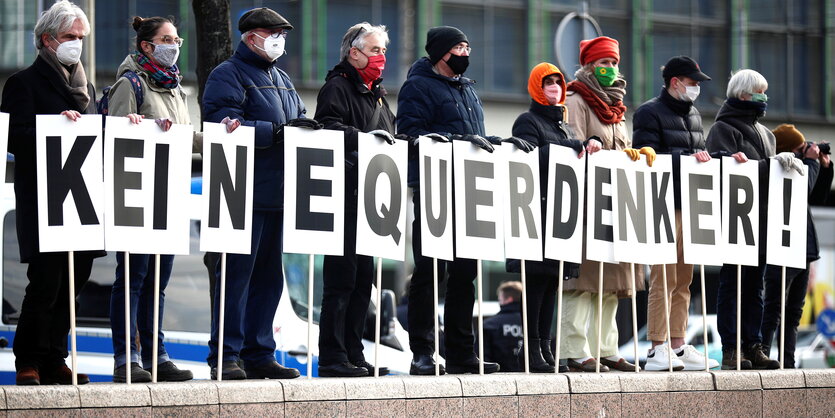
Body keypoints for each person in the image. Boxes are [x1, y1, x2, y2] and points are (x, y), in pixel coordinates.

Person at [397, 25, 532, 375]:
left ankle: (461, 352)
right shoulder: (418, 86)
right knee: (429, 273)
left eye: (468, 46)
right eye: (459, 47)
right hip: (435, 187)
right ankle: (423, 351)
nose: (465, 53)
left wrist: (499, 142)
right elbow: (410, 134)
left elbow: (477, 137)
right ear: (441, 52)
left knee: (465, 274)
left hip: (470, 189)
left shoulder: (469, 89)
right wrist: (457, 140)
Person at [202, 6, 318, 380]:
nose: (279, 41)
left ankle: (259, 352)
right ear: (250, 37)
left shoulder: (282, 79)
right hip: (241, 194)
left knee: (269, 280)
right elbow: (221, 123)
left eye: (282, 34)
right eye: (273, 34)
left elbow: (297, 118)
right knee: (235, 278)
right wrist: (277, 133)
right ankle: (226, 354)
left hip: (278, 194)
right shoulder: (228, 74)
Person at [0, 0, 102, 386]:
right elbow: (16, 138)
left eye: (80, 38)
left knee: (74, 283)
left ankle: (56, 357)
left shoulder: (86, 86)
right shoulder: (22, 83)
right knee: (45, 283)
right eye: (70, 37)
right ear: (47, 40)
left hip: (81, 200)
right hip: (45, 202)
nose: (76, 44)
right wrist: (53, 126)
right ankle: (29, 360)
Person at [105, 15, 197, 383]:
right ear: (146, 45)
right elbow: (116, 137)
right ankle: (126, 357)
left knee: (157, 280)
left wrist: (226, 140)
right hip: (137, 194)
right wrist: (145, 131)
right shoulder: (130, 84)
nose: (174, 46)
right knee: (132, 277)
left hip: (169, 194)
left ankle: (156, 355)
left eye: (177, 40)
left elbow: (185, 138)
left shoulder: (174, 87)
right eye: (166, 39)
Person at [314, 22, 397, 378]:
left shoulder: (377, 94)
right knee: (342, 281)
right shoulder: (337, 87)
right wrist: (361, 138)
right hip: (345, 197)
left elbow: (392, 135)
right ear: (355, 53)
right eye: (376, 50)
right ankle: (333, 357)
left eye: (383, 51)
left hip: (371, 199)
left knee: (365, 281)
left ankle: (353, 352)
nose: (381, 58)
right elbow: (325, 129)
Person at [561, 36, 643, 372]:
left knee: (612, 282)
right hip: (587, 202)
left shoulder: (617, 108)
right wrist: (589, 145)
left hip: (616, 201)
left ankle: (606, 347)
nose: (610, 69)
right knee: (583, 282)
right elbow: (571, 142)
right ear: (590, 66)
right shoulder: (576, 99)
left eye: (613, 63)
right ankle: (576, 349)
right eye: (603, 64)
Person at [632, 56, 720, 371]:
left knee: (684, 279)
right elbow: (647, 156)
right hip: (663, 203)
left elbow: (699, 153)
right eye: (693, 82)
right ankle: (657, 348)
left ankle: (678, 345)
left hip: (690, 204)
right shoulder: (648, 112)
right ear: (675, 82)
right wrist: (686, 157)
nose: (697, 88)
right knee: (663, 277)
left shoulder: (694, 115)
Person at [508, 62, 588, 373]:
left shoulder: (565, 125)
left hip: (561, 216)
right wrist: (572, 147)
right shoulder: (526, 121)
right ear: (536, 88)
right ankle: (531, 349)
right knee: (536, 285)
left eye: (558, 82)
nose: (554, 87)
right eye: (548, 83)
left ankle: (545, 345)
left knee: (553, 284)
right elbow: (531, 159)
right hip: (536, 215)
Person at [706, 69, 780, 370]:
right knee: (732, 283)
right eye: (759, 91)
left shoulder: (768, 135)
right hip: (735, 220)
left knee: (755, 286)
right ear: (743, 94)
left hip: (762, 221)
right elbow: (717, 169)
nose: (764, 97)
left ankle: (754, 345)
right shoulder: (723, 128)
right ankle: (731, 349)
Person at [760, 124, 832, 368]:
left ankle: (787, 362)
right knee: (773, 308)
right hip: (782, 246)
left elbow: (817, 196)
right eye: (801, 148)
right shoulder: (780, 168)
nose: (807, 150)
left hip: (804, 249)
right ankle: (764, 355)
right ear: (788, 151)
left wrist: (824, 167)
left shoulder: (802, 166)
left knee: (793, 313)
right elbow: (800, 190)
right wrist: (810, 163)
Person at [481, 281, 524, 372]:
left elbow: (482, 359)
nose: (499, 302)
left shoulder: (490, 324)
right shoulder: (535, 324)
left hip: (499, 378)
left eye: (499, 299)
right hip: (530, 376)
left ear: (509, 299)